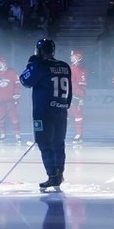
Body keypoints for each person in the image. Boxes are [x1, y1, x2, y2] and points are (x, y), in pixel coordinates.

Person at [20, 38, 72, 191]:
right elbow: (70, 89)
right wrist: (65, 104)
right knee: (58, 143)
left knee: (44, 143)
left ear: (39, 51)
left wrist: (31, 64)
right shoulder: (64, 66)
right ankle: (59, 174)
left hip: (43, 112)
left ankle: (52, 176)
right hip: (61, 110)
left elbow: (25, 81)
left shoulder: (40, 65)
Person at [0, 56, 23, 142]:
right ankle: (2, 133)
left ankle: (17, 134)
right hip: (0, 101)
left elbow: (17, 84)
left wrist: (17, 94)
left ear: (4, 63)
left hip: (11, 100)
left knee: (14, 117)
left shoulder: (12, 72)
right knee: (0, 118)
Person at [69, 49, 88, 142]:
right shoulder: (71, 67)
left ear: (78, 58)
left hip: (76, 96)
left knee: (78, 114)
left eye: (72, 56)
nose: (70, 57)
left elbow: (82, 86)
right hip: (69, 95)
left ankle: (79, 134)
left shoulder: (80, 69)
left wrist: (78, 96)